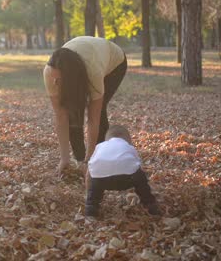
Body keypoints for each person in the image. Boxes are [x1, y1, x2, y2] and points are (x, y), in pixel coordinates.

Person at [43, 36, 126, 174]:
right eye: (54, 79)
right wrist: (64, 158)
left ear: (70, 78)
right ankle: (79, 158)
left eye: (59, 80)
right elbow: (61, 116)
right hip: (85, 57)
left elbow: (94, 119)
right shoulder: (50, 72)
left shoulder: (93, 72)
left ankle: (98, 158)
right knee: (72, 110)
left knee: (100, 110)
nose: (55, 84)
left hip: (114, 62)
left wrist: (90, 160)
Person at [84, 125, 160, 217]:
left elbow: (90, 168)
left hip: (101, 180)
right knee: (139, 176)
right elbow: (137, 165)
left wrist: (89, 190)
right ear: (128, 140)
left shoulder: (100, 146)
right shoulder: (128, 146)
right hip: (127, 179)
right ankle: (149, 203)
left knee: (95, 180)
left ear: (106, 140)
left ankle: (91, 207)